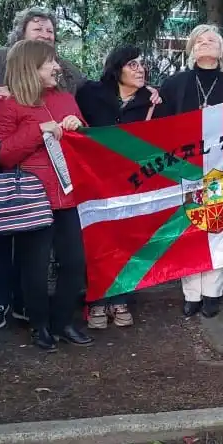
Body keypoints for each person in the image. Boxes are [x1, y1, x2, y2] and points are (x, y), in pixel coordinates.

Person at [0, 40, 94, 351]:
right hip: (32, 199)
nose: (57, 68)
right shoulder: (7, 105)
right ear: (30, 67)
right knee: (33, 267)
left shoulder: (64, 99)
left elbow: (85, 142)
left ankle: (62, 321)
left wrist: (79, 127)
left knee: (74, 262)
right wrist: (39, 130)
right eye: (50, 63)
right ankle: (39, 326)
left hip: (67, 196)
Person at [159, 25, 223, 317]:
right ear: (191, 49)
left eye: (212, 39)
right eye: (199, 40)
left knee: (218, 227)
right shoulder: (174, 84)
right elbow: (157, 124)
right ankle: (192, 293)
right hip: (185, 166)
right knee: (190, 227)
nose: (205, 43)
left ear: (222, 50)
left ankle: (213, 293)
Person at [74, 45, 158, 327]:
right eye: (132, 64)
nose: (139, 69)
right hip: (94, 182)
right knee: (97, 240)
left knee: (127, 240)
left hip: (133, 184)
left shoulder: (152, 100)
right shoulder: (90, 93)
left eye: (141, 64)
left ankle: (121, 296)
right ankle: (96, 300)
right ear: (116, 67)